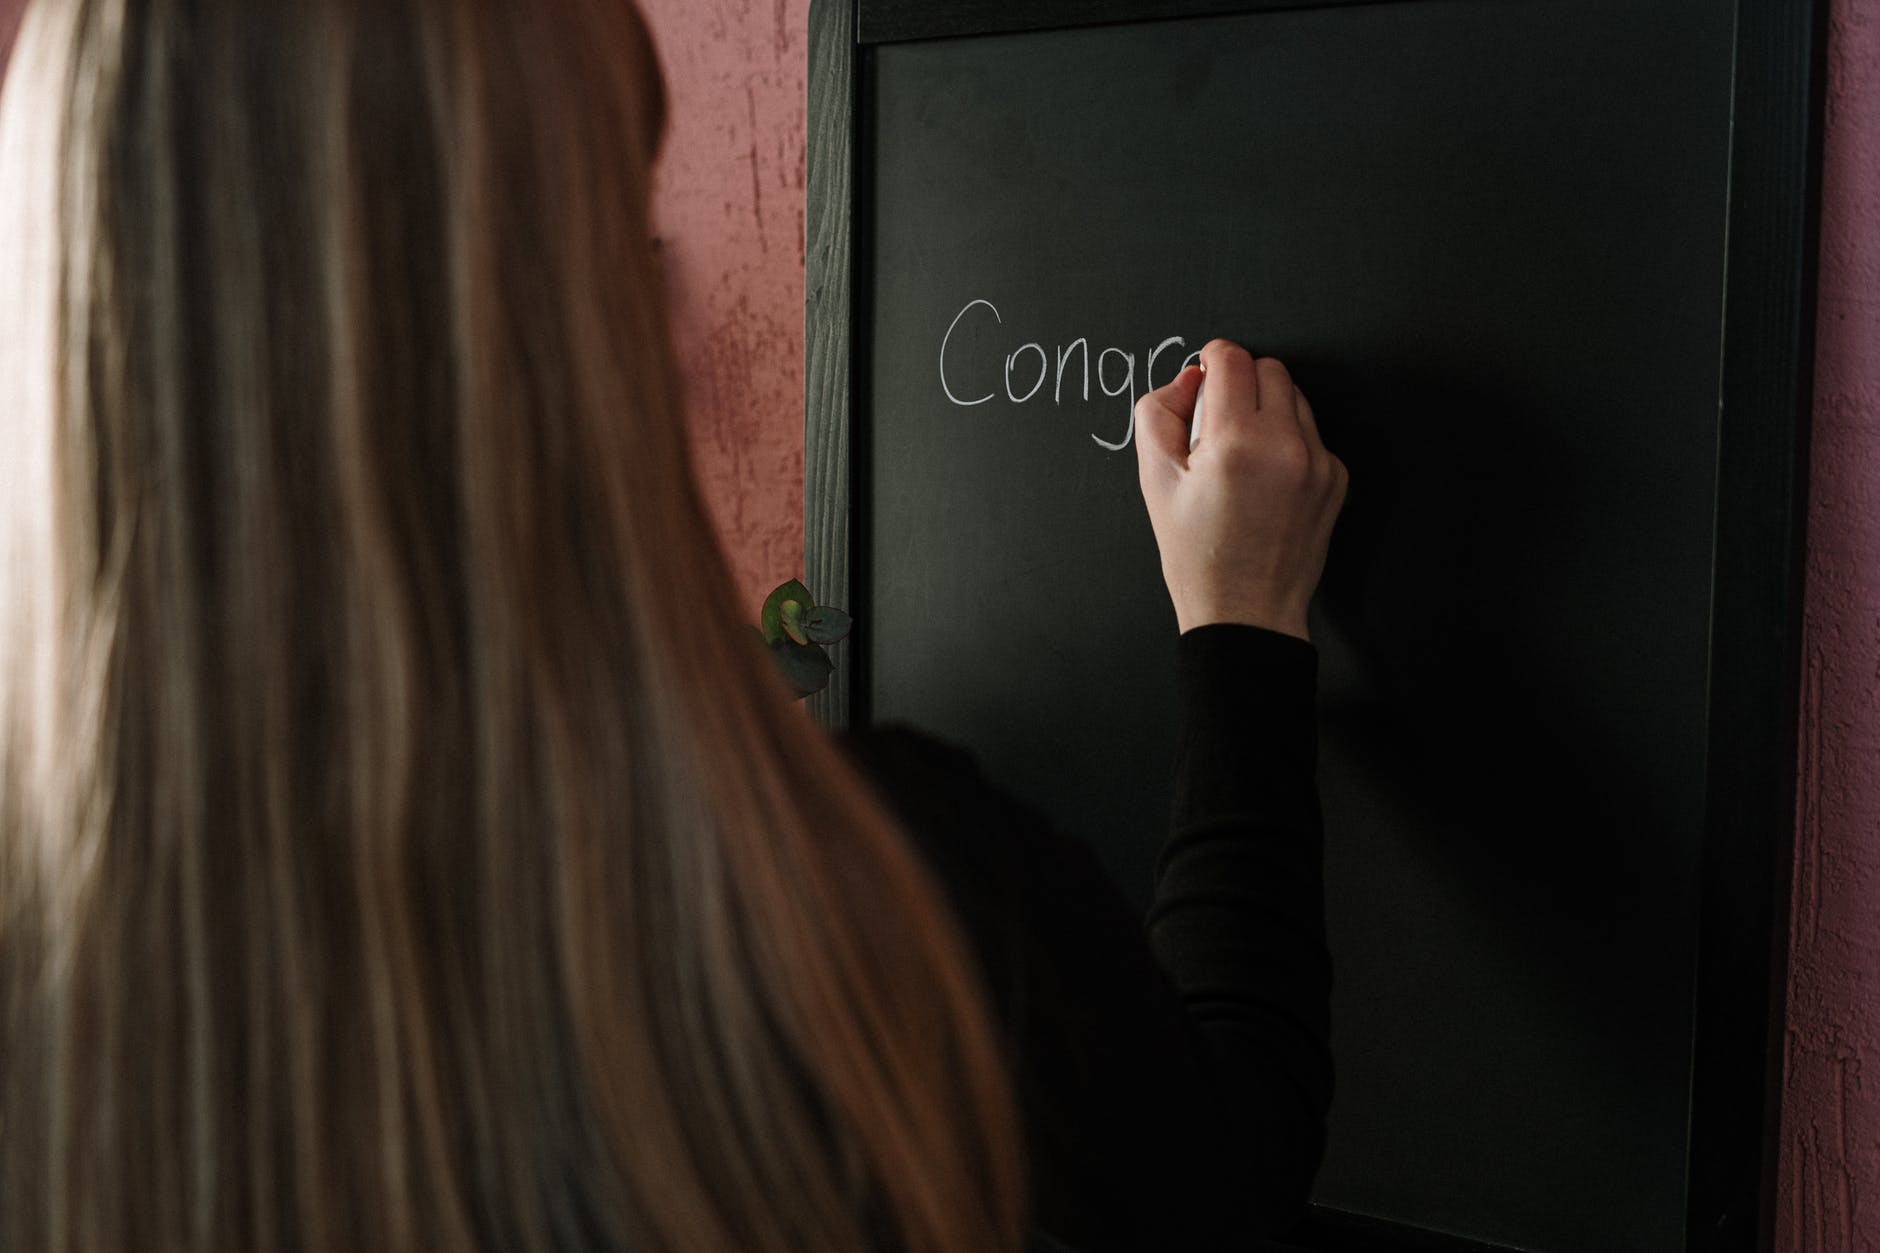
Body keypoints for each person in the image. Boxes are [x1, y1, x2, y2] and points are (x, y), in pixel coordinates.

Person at [0, 2, 1345, 1252]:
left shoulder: (65, 1015)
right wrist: (1245, 623)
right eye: (628, 234)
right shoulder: (861, 911)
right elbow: (1226, 1179)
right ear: (566, 341)